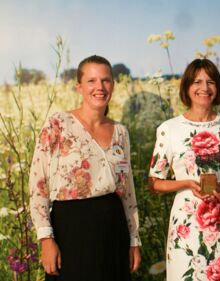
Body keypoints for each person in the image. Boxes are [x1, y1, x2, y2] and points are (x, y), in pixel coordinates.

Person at [29, 55, 141, 281]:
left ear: (113, 85)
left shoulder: (120, 132)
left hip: (113, 229)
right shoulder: (58, 124)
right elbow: (37, 184)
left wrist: (134, 240)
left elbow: (127, 191)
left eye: (105, 80)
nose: (99, 87)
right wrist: (46, 239)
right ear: (79, 87)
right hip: (70, 229)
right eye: (91, 81)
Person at [148, 58, 220, 281]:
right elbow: (155, 182)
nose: (204, 88)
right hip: (187, 229)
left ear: (218, 87)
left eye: (210, 82)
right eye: (197, 82)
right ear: (187, 87)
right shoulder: (169, 129)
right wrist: (187, 183)